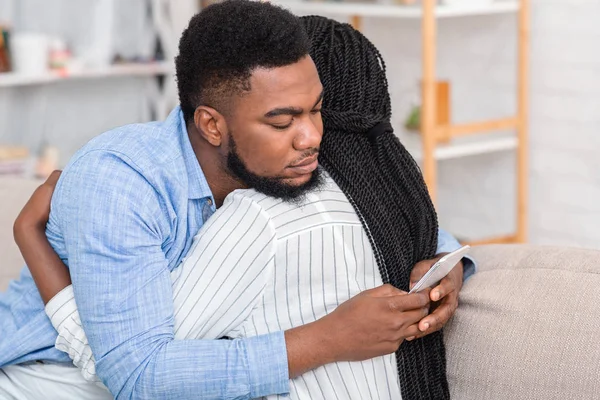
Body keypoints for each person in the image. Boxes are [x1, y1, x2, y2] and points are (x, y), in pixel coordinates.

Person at [1, 3, 473, 399]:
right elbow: (137, 375)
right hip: (49, 378)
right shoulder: (121, 182)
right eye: (283, 120)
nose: (311, 137)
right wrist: (329, 340)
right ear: (212, 125)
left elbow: (376, 204)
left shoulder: (284, 160)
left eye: (316, 109)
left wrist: (443, 263)